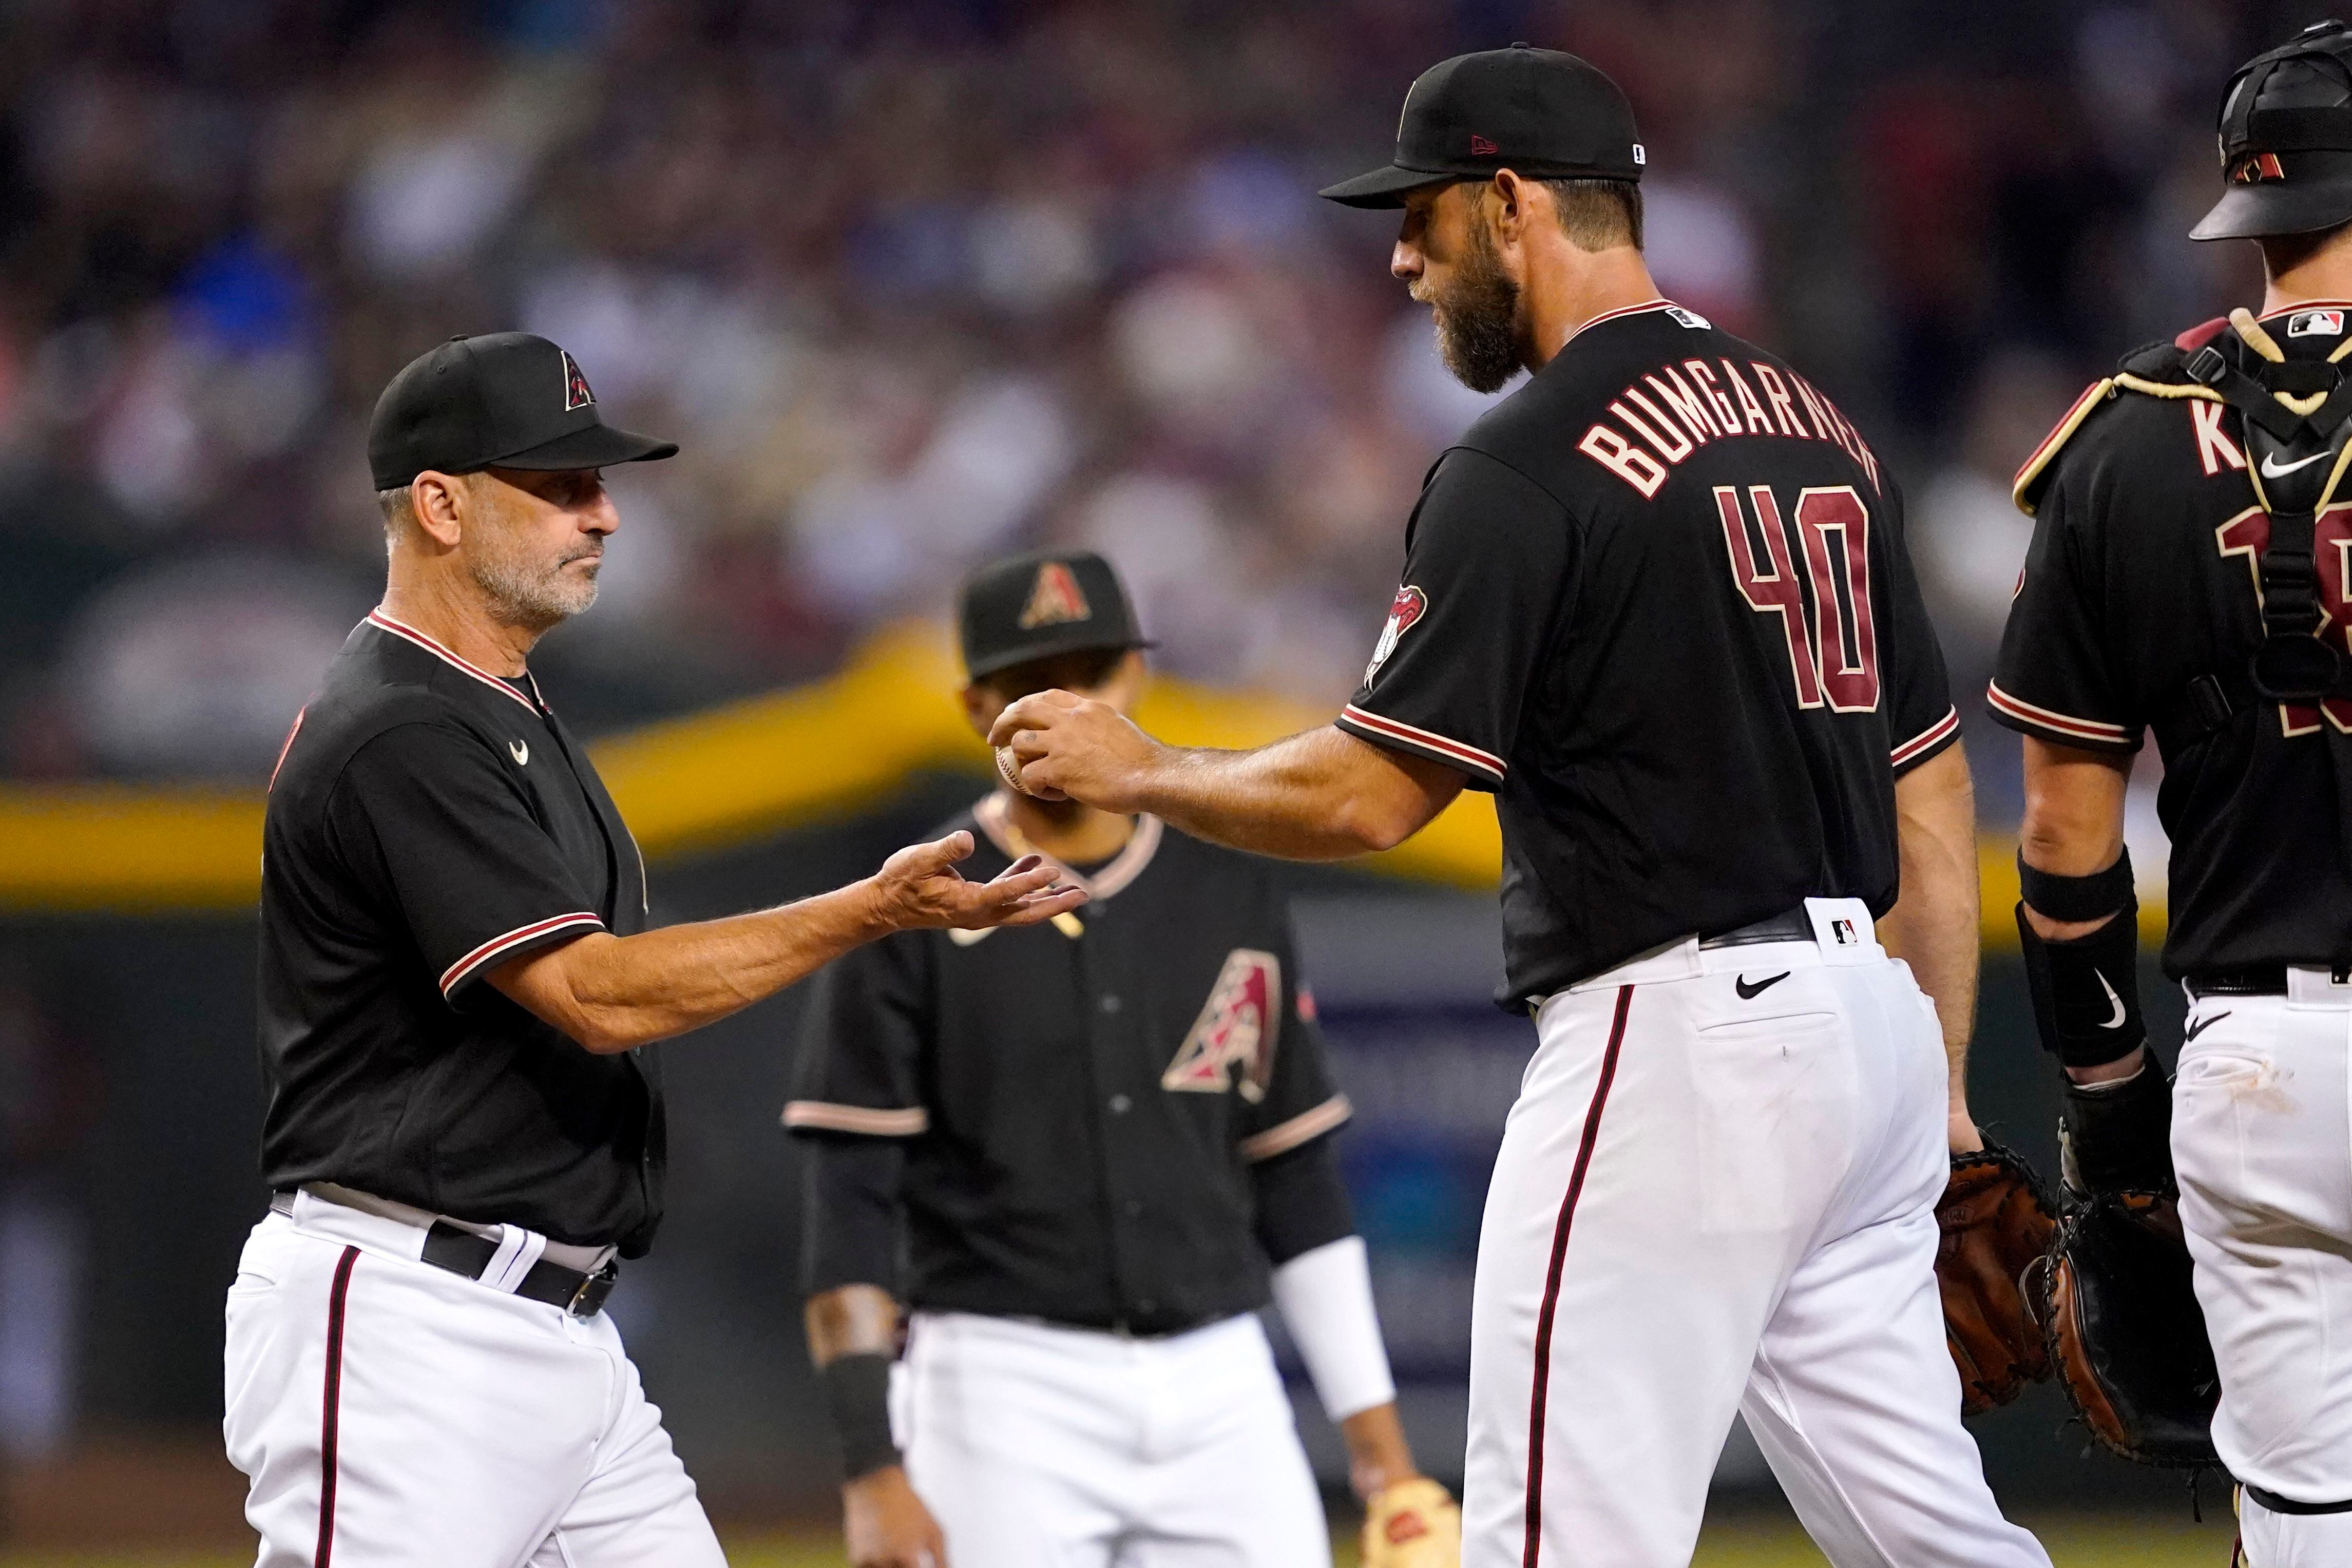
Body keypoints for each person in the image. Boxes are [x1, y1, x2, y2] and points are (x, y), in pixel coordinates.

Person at [988, 46, 2048, 1568]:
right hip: (1865, 1037)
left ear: (1507, 202)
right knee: (1936, 1538)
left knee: (1552, 1539)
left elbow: (1368, 798)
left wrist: (1140, 766)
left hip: (1682, 1038)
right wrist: (1938, 1091)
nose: (1401, 258)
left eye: (1420, 216)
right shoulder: (1813, 421)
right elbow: (1929, 780)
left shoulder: (1524, 458)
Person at [225, 332, 1082, 1567]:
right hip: (410, 1323)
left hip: (556, 1334)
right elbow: (591, 995)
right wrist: (870, 909)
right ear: (440, 505)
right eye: (563, 485)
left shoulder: (501, 708)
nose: (606, 513)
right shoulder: (398, 728)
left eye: (601, 482)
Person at [786, 548, 1459, 1568]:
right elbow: (849, 1208)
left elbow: (1295, 1177)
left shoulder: (1229, 880)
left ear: (1134, 680)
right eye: (1030, 681)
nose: (1068, 703)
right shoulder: (913, 902)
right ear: (974, 706)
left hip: (1221, 1378)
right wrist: (871, 1466)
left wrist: (1383, 1462)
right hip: (998, 1382)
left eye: (1092, 671)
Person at [1994, 21, 2352, 1563]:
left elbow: (2064, 838)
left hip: (2257, 1062)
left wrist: (2105, 1101)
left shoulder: (2122, 437)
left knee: (2298, 1516)